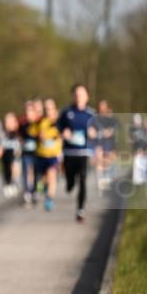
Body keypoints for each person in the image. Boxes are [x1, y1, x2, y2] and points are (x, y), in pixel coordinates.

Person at [57, 84, 96, 223]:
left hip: (84, 152)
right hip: (69, 152)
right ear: (73, 96)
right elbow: (58, 127)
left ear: (87, 97)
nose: (79, 97)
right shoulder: (66, 112)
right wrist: (63, 132)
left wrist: (93, 133)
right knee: (71, 181)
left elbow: (97, 131)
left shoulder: (91, 114)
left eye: (82, 94)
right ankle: (69, 183)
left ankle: (80, 210)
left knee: (83, 180)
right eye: (76, 94)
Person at [32, 98, 62, 212]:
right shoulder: (40, 121)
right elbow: (32, 132)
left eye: (50, 108)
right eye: (46, 109)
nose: (48, 111)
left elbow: (63, 135)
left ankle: (49, 198)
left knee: (52, 176)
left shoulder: (59, 122)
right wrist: (38, 135)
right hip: (41, 154)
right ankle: (43, 186)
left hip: (53, 155)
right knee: (43, 178)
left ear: (55, 109)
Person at [19, 99, 42, 207]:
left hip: (37, 152)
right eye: (27, 110)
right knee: (26, 172)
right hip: (26, 152)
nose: (28, 113)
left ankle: (35, 191)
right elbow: (19, 136)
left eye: (30, 110)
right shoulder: (22, 123)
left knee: (36, 172)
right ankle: (27, 192)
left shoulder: (39, 123)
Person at [94, 100, 118, 192]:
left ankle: (107, 181)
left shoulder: (110, 118)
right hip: (98, 143)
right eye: (100, 106)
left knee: (108, 162)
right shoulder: (95, 118)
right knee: (99, 162)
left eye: (104, 106)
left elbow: (112, 130)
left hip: (109, 143)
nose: (102, 108)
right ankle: (101, 183)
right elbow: (92, 130)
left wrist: (108, 132)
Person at [0, 112, 22, 198]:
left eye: (10, 121)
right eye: (7, 121)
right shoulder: (3, 133)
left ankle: (14, 182)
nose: (8, 123)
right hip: (6, 154)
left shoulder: (18, 132)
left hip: (15, 153)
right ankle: (7, 183)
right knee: (6, 170)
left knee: (15, 167)